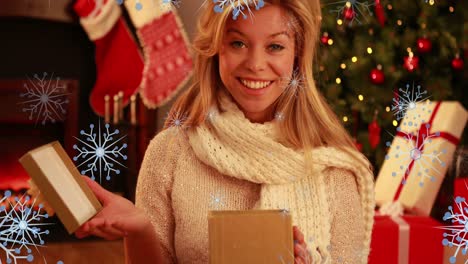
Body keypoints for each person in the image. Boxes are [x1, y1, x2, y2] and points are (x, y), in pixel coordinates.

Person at [74, 0, 376, 263]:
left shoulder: (336, 172)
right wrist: (139, 228)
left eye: (275, 46)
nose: (256, 64)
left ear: (297, 55)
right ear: (216, 48)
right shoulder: (170, 152)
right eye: (238, 43)